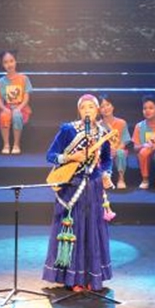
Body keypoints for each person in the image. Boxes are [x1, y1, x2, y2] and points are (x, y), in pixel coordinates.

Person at [43, 94, 114, 293]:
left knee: (92, 230)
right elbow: (50, 155)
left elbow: (107, 160)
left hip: (93, 187)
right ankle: (72, 278)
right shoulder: (68, 130)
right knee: (73, 232)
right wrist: (69, 157)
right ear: (79, 111)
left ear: (97, 110)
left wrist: (107, 174)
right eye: (84, 107)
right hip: (71, 187)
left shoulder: (103, 133)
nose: (88, 110)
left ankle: (92, 277)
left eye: (91, 107)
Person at [0, 50, 32, 154]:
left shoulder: (24, 79)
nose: (9, 64)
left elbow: (26, 97)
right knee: (4, 116)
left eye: (11, 61)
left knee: (17, 115)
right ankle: (6, 144)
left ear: (15, 62)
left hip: (21, 108)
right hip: (7, 107)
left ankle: (16, 144)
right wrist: (4, 109)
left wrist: (19, 108)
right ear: (2, 64)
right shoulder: (1, 82)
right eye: (6, 62)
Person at [98, 95, 133, 190]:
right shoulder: (98, 125)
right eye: (102, 106)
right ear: (99, 110)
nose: (105, 108)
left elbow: (125, 141)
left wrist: (116, 149)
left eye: (108, 105)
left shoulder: (122, 123)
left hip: (118, 149)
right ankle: (105, 179)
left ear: (113, 106)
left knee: (121, 153)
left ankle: (121, 179)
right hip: (104, 151)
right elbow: (98, 143)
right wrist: (107, 151)